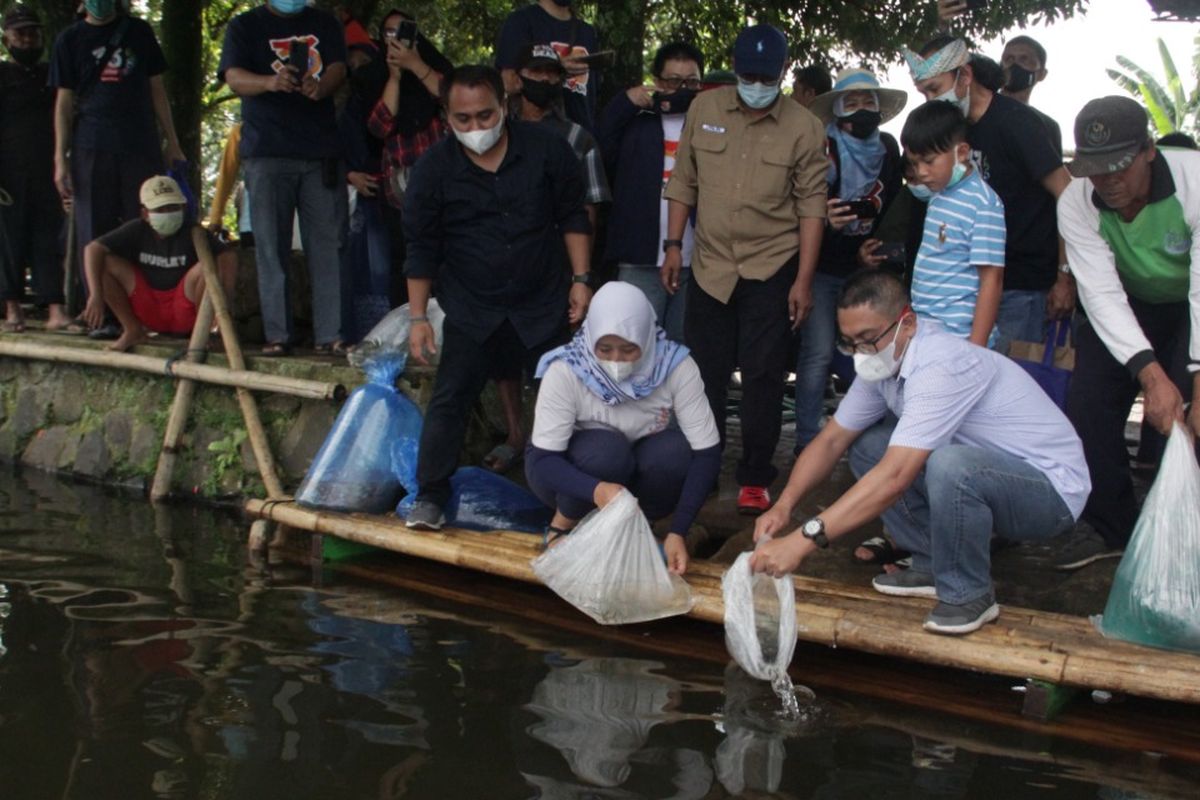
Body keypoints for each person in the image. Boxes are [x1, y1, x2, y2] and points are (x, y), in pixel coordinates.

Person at [749, 270, 1089, 635]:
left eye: (867, 339)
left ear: (907, 323)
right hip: (991, 473)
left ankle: (969, 592)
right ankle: (930, 562)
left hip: (1051, 493)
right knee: (868, 447)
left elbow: (896, 478)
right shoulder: (883, 365)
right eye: (849, 343)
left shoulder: (940, 364)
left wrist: (803, 540)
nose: (860, 353)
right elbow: (831, 441)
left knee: (950, 465)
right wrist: (784, 505)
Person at [401, 65, 592, 531]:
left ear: (503, 107)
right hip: (472, 305)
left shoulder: (548, 150)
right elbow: (421, 247)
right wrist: (418, 317)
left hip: (541, 301)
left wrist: (582, 279)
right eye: (463, 119)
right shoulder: (433, 169)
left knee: (563, 400)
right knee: (450, 399)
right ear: (447, 117)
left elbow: (573, 216)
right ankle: (430, 496)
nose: (476, 128)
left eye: (485, 116)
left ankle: (573, 501)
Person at [663, 24, 828, 516]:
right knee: (703, 373)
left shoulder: (804, 126)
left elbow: (812, 209)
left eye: (766, 75)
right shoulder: (705, 109)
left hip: (772, 267)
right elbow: (683, 184)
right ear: (735, 70)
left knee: (763, 376)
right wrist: (674, 246)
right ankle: (704, 467)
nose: (757, 83)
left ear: (783, 72)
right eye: (748, 74)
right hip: (711, 264)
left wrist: (803, 280)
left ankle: (756, 475)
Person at [1054, 97, 1200, 570]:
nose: (1108, 181)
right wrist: (1151, 377)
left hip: (1190, 302)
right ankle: (1116, 530)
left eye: (1119, 167)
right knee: (1088, 405)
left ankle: (1186, 535)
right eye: (1096, 169)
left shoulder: (1194, 182)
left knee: (1193, 417)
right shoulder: (1076, 202)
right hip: (1126, 301)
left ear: (1149, 151)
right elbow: (1100, 293)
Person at [525, 282, 722, 575]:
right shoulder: (566, 368)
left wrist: (679, 530)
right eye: (605, 349)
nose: (615, 360)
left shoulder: (675, 366)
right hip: (570, 475)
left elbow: (707, 453)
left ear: (646, 338)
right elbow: (543, 461)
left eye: (629, 349)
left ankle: (645, 526)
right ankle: (562, 524)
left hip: (633, 471)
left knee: (675, 452)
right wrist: (596, 490)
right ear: (590, 337)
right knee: (607, 451)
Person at [481, 42, 611, 474]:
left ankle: (545, 441)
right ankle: (516, 435)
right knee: (503, 352)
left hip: (554, 270)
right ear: (517, 77)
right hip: (499, 266)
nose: (546, 82)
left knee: (551, 356)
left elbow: (588, 211)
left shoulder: (577, 137)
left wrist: (583, 275)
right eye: (537, 73)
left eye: (554, 75)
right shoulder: (493, 131)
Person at [906, 37, 1072, 355]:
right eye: (924, 93)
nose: (930, 100)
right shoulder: (952, 128)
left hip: (1020, 287)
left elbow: (1066, 192)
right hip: (965, 290)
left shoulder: (1017, 123)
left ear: (965, 77)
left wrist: (1065, 276)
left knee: (1003, 386)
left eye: (934, 88)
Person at [219, 0, 348, 355]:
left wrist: (320, 87)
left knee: (328, 245)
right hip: (266, 151)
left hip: (320, 151)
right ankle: (278, 334)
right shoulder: (244, 26)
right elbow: (232, 77)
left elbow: (339, 66)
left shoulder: (324, 21)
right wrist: (270, 82)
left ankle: (331, 335)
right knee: (270, 247)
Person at [49, 0, 184, 339]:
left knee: (142, 226)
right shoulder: (69, 40)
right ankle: (103, 314)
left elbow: (157, 90)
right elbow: (64, 102)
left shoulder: (138, 32)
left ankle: (147, 313)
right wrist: (59, 157)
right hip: (91, 145)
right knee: (94, 226)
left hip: (139, 144)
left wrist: (172, 141)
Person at [793, 68, 906, 453]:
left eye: (868, 103)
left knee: (877, 353)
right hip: (823, 267)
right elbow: (800, 209)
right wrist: (825, 220)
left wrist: (877, 247)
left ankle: (871, 436)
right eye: (852, 103)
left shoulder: (889, 150)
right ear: (838, 110)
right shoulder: (822, 149)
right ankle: (808, 439)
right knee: (819, 353)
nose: (861, 111)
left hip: (868, 269)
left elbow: (893, 206)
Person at [597, 40, 704, 342]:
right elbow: (599, 146)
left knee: (682, 353)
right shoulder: (636, 124)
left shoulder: (708, 126)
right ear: (657, 82)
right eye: (673, 81)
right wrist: (624, 102)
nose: (682, 88)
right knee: (633, 346)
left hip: (697, 262)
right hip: (639, 259)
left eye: (691, 81)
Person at [80, 176, 236, 352]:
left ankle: (203, 333)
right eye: (160, 209)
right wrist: (95, 295)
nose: (167, 213)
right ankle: (132, 330)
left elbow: (227, 255)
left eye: (173, 208)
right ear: (145, 213)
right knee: (106, 263)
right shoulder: (136, 229)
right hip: (148, 304)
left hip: (184, 307)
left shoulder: (194, 232)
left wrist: (225, 303)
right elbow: (93, 249)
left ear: (183, 208)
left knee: (205, 268)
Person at [901, 100, 1004, 345]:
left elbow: (992, 279)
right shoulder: (938, 194)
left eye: (929, 160)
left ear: (961, 153)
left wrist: (975, 348)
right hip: (927, 330)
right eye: (915, 163)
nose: (921, 172)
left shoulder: (983, 203)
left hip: (959, 338)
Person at [0, 5, 70, 333]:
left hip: (48, 169)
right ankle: (12, 308)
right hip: (8, 173)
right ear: (6, 39)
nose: (27, 40)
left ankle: (55, 308)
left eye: (33, 33)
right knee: (9, 239)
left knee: (47, 238)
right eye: (20, 34)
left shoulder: (51, 74)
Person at [495, 0, 599, 130]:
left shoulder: (587, 32)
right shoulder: (521, 22)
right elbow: (507, 83)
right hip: (531, 132)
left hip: (579, 137)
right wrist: (556, 68)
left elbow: (592, 96)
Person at [998, 35, 1062, 154]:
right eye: (1008, 59)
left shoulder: (1047, 126)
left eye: (1024, 59)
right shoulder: (979, 113)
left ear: (1042, 74)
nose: (1014, 65)